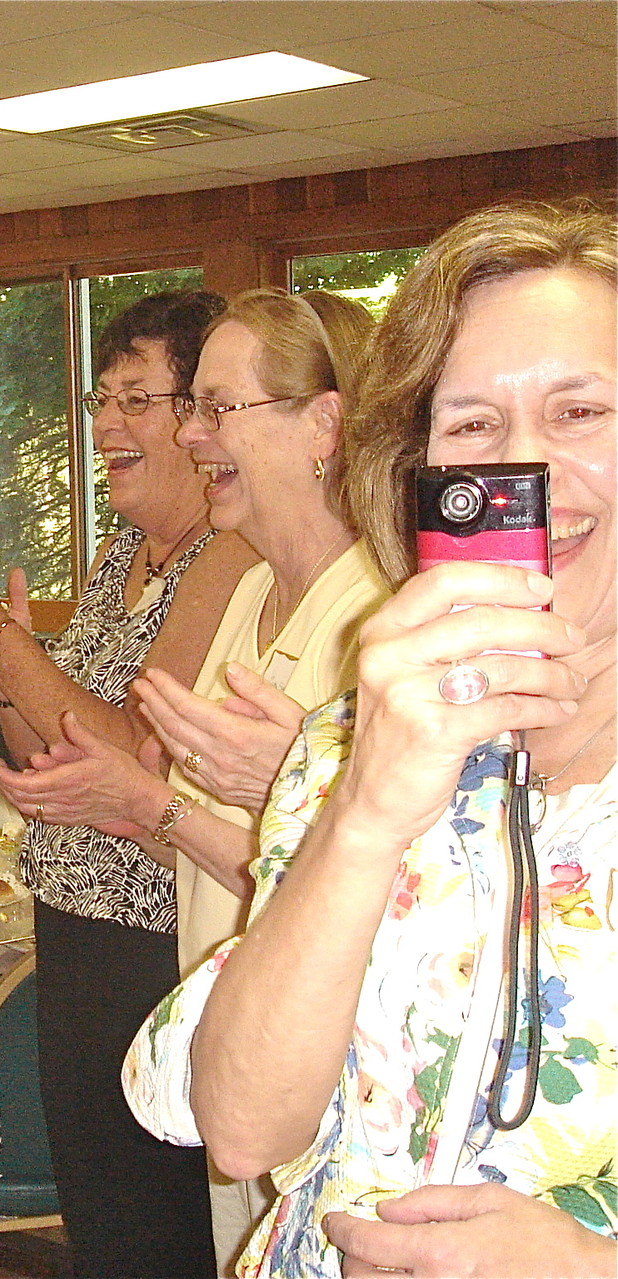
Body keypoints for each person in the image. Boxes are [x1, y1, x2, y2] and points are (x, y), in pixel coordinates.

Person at [124, 201, 617, 1278]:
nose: (521, 469)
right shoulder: (356, 738)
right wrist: (362, 809)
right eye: (474, 425)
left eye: (579, 411)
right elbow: (241, 1125)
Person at [0, 286, 384, 1266]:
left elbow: (353, 880)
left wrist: (145, 808)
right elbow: (185, 797)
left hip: (325, 1059)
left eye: (216, 408)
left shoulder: (373, 617)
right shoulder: (252, 585)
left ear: (322, 425)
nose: (192, 433)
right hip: (224, 1026)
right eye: (193, 407)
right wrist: (135, 803)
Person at [0, 291, 256, 1278]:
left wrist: (1, 643)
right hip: (72, 929)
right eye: (99, 400)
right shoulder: (118, 556)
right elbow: (48, 748)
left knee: (158, 1227)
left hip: (155, 942)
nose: (104, 426)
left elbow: (136, 754)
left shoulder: (229, 558)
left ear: (198, 416)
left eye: (135, 398)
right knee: (103, 1222)